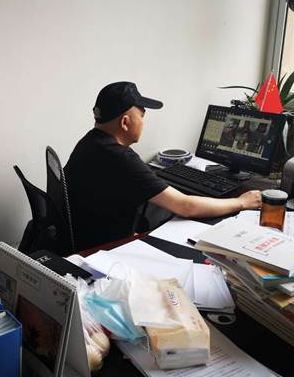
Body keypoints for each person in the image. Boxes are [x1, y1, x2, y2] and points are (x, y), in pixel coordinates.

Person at [64, 81, 261, 250]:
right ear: (125, 122)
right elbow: (186, 206)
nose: (143, 122)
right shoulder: (119, 157)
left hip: (85, 235)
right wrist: (242, 202)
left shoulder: (89, 142)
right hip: (102, 249)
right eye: (142, 116)